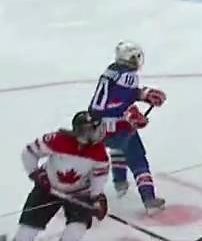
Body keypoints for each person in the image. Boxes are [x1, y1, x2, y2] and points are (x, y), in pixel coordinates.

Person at [87, 41, 166, 211]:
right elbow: (120, 101)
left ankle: (120, 183)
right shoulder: (127, 76)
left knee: (117, 150)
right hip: (118, 126)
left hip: (100, 127)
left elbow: (108, 100)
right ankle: (148, 199)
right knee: (138, 159)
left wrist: (144, 95)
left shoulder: (112, 71)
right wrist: (128, 116)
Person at [13, 112, 110, 241]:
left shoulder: (99, 152)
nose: (99, 134)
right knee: (26, 232)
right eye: (94, 130)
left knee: (75, 232)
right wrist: (36, 173)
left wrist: (97, 197)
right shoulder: (57, 140)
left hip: (79, 193)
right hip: (47, 189)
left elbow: (99, 176)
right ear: (82, 131)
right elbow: (29, 153)